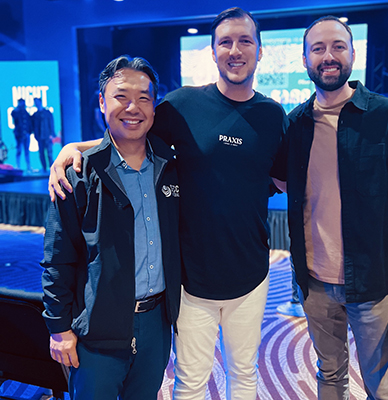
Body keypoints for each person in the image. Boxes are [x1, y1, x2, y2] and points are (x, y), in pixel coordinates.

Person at [47, 8, 286, 400]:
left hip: (251, 274)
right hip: (189, 279)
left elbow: (281, 178)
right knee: (191, 380)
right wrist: (74, 149)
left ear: (260, 51)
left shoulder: (274, 115)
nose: (235, 50)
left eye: (245, 41)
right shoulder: (182, 106)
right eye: (225, 41)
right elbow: (128, 129)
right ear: (212, 51)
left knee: (245, 373)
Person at [280, 16, 388, 399]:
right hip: (314, 281)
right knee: (329, 375)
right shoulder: (295, 124)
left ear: (352, 54)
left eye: (337, 47)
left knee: (381, 385)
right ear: (304, 59)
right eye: (318, 49)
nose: (328, 56)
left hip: (373, 280)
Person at [41, 55, 181, 400]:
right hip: (97, 326)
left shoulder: (171, 165)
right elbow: (57, 257)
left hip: (157, 322)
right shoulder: (77, 173)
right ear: (102, 102)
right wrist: (59, 329)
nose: (133, 107)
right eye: (121, 96)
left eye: (144, 98)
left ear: (155, 106)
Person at [32, 97, 56, 172]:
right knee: (41, 153)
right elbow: (34, 126)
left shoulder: (47, 113)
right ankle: (44, 168)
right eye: (35, 103)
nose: (37, 104)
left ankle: (51, 167)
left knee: (49, 153)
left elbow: (51, 123)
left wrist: (52, 133)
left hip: (47, 135)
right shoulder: (35, 115)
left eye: (37, 102)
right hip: (39, 136)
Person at [10, 98, 32, 171]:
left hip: (26, 134)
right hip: (19, 135)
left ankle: (28, 166)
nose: (23, 104)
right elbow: (13, 115)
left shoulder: (25, 112)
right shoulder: (16, 111)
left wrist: (29, 131)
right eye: (21, 103)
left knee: (26, 151)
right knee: (19, 150)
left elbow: (28, 122)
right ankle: (18, 165)